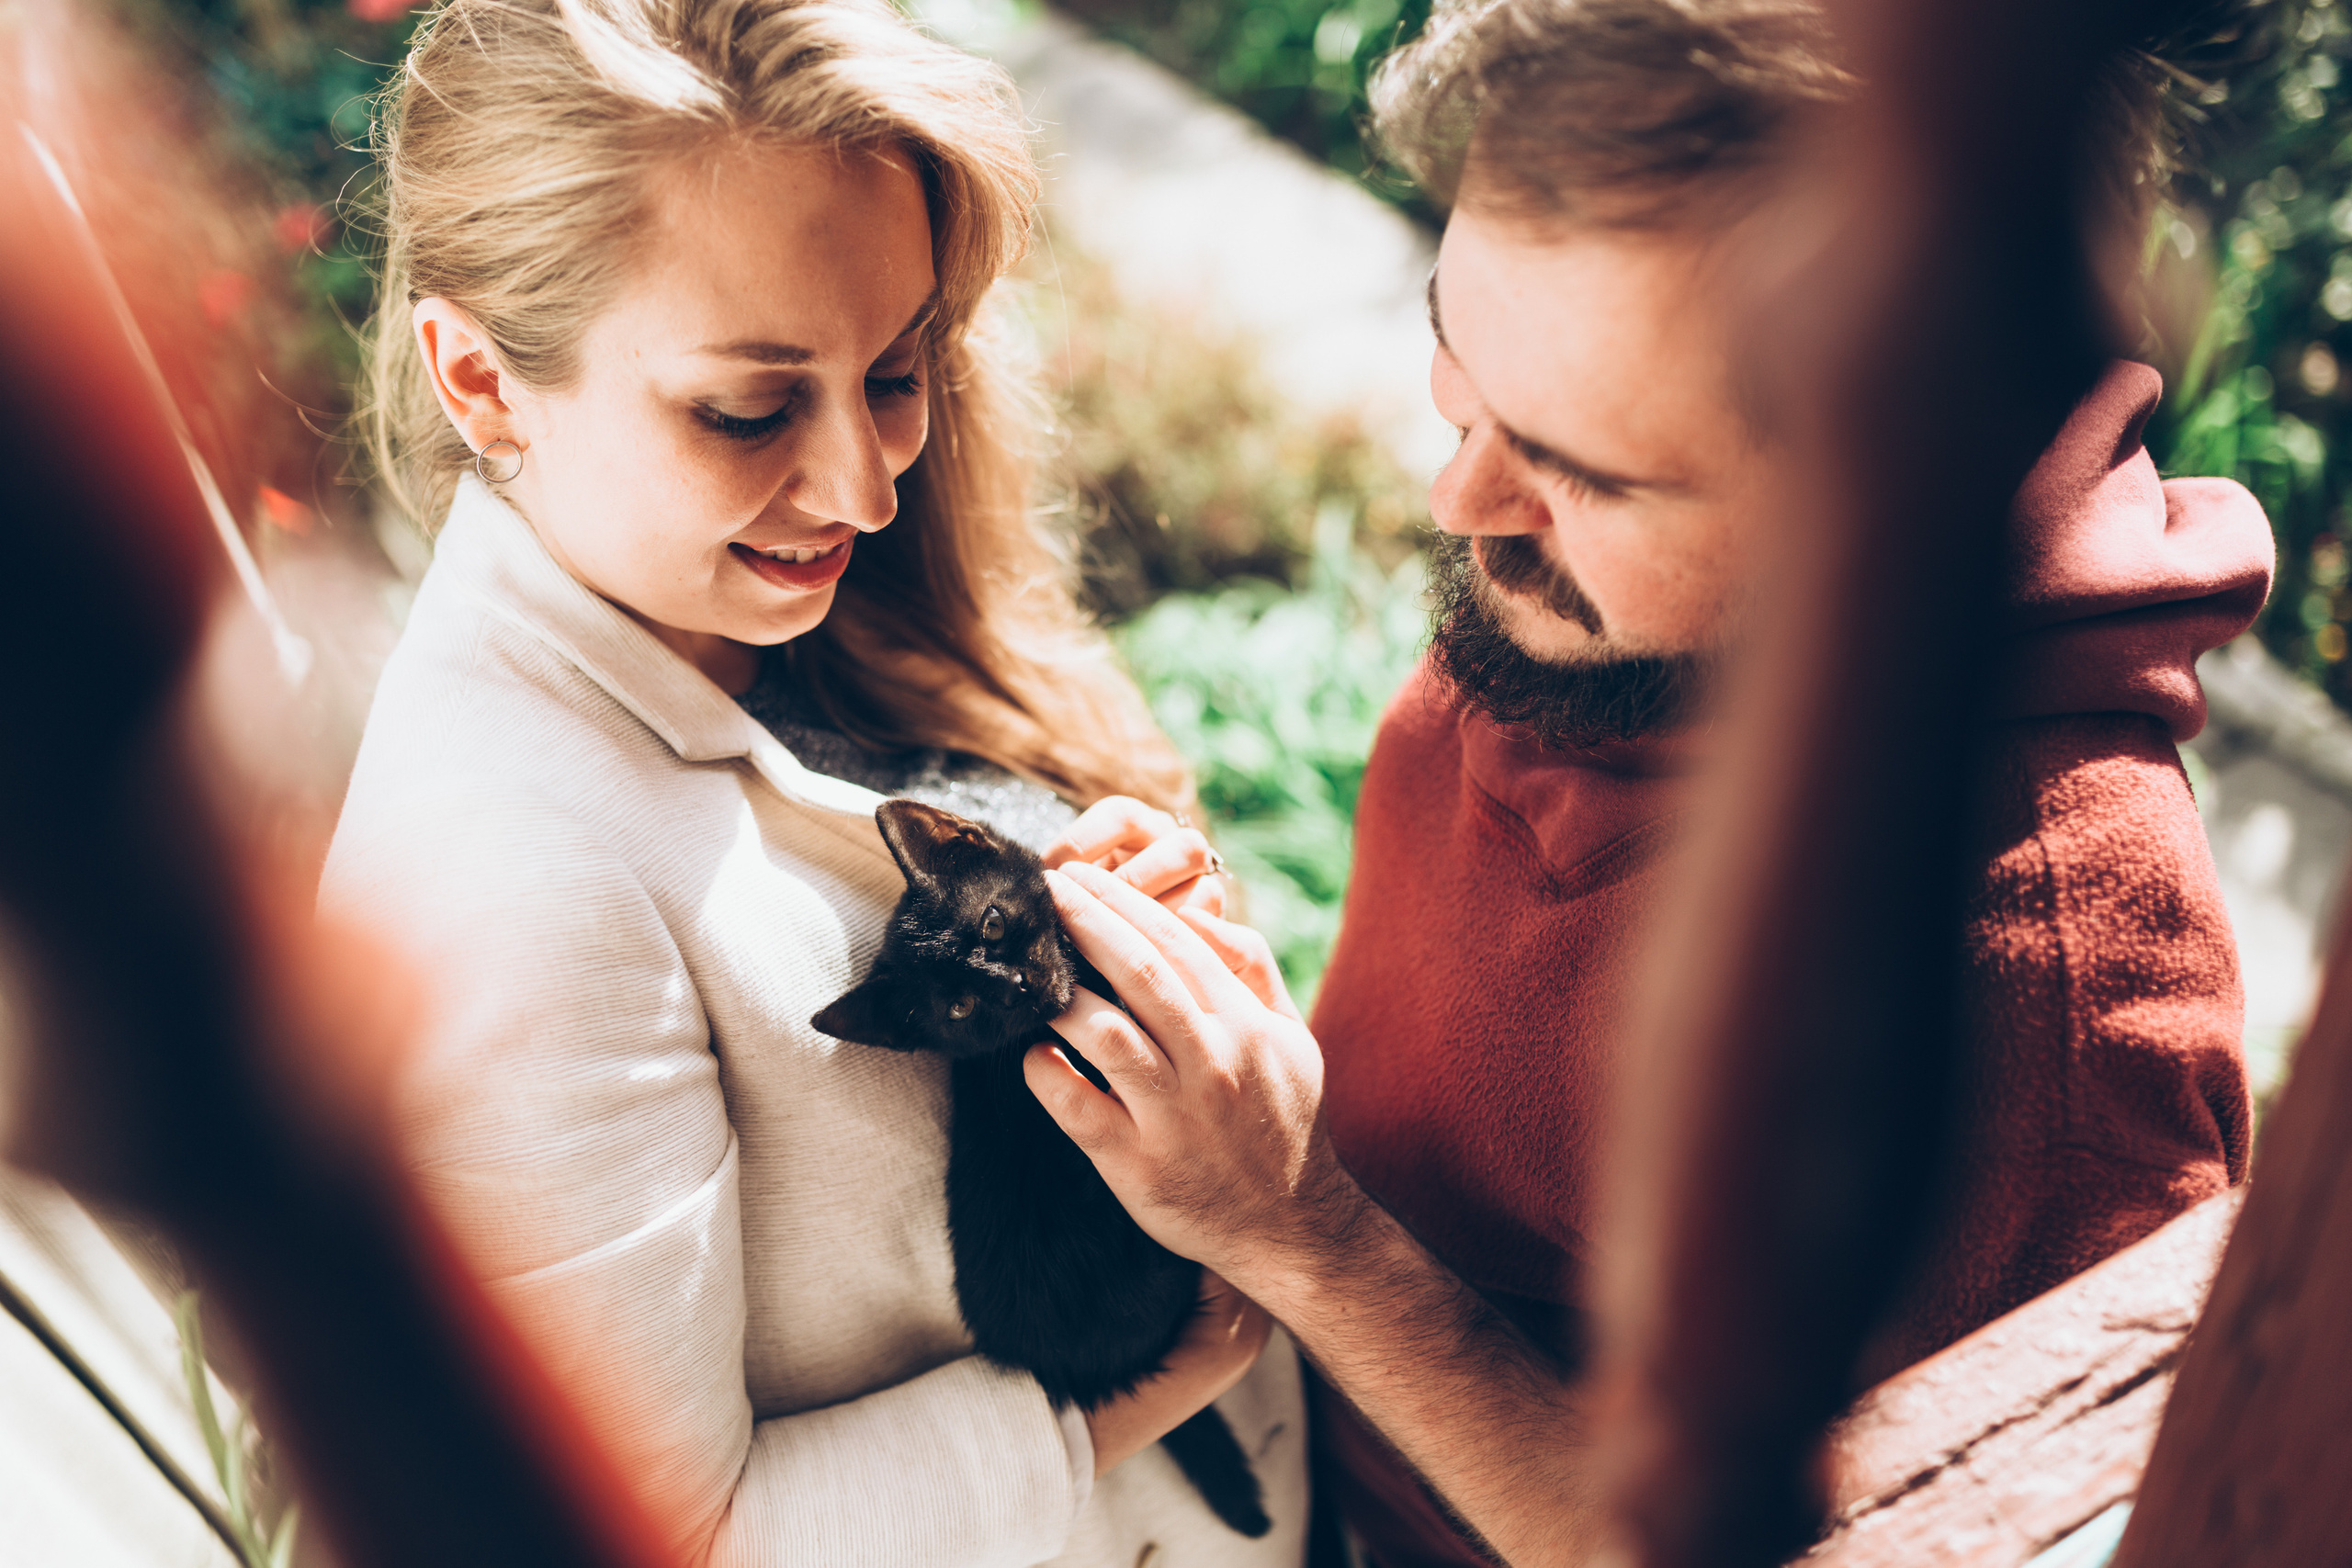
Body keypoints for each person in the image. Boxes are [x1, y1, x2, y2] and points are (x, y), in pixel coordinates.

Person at [1023, 2, 2275, 1564]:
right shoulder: (1608, 616)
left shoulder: (2042, 1012)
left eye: (1584, 472)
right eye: (1454, 363)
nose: (1459, 499)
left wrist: (1312, 1240)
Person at [319, 3, 1307, 1564]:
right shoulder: (507, 893)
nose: (866, 485)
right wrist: (1188, 1345)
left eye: (903, 368)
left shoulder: (787, 609)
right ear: (482, 380)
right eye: (747, 409)